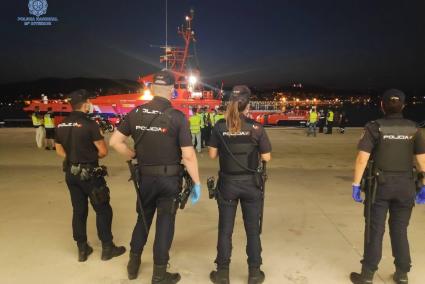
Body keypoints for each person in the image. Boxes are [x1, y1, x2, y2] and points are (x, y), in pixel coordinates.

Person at [109, 70, 201, 283]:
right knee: (165, 223)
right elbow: (188, 155)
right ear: (173, 91)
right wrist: (196, 183)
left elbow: (115, 142)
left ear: (151, 89)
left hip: (146, 179)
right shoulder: (177, 117)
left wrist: (133, 155)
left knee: (143, 217)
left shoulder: (136, 113)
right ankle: (159, 274)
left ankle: (133, 265)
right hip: (169, 180)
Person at [350, 89, 425, 284]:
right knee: (400, 229)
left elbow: (362, 159)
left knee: (375, 229)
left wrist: (356, 184)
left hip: (379, 187)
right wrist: (423, 185)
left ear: (382, 105)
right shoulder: (414, 128)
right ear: (404, 106)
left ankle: (367, 275)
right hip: (406, 186)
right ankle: (402, 273)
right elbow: (422, 162)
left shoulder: (374, 127)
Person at [208, 85, 272, 284]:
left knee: (225, 229)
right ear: (248, 105)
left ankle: (222, 273)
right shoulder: (256, 128)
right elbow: (267, 157)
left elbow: (212, 155)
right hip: (251, 185)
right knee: (252, 230)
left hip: (228, 184)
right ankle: (254, 273)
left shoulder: (219, 126)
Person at [55, 89, 126, 262]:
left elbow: (59, 151)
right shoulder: (90, 124)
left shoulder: (61, 124)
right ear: (86, 104)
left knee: (79, 210)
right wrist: (87, 157)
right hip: (90, 175)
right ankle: (107, 248)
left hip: (71, 174)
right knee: (103, 209)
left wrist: (74, 158)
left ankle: (82, 249)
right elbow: (102, 151)